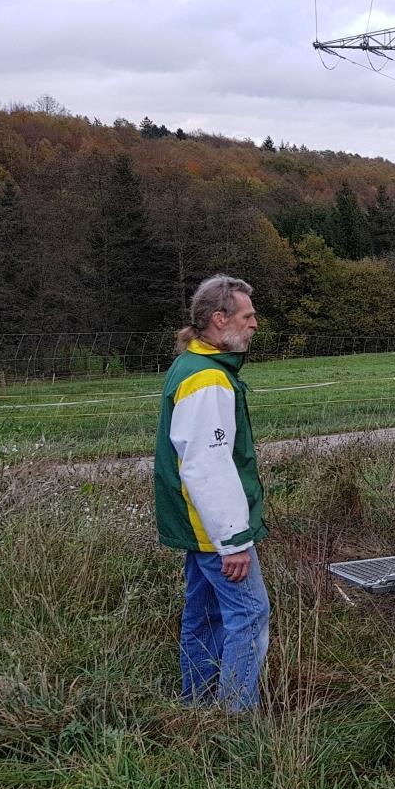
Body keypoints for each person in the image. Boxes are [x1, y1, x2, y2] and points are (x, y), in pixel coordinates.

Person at [154, 275, 270, 711]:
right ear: (219, 320)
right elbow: (207, 466)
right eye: (247, 316)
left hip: (196, 523)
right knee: (249, 615)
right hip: (214, 530)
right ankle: (235, 719)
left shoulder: (192, 367)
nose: (255, 324)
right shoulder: (207, 381)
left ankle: (198, 706)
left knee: (204, 616)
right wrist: (234, 541)